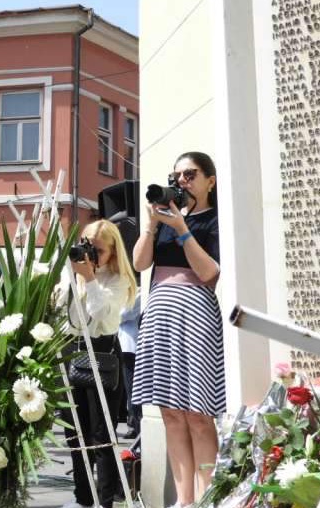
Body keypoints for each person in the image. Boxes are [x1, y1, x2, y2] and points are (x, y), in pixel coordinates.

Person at [132, 151, 223, 508]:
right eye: (177, 176)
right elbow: (140, 262)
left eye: (190, 175)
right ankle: (183, 501)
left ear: (210, 181)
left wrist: (182, 231)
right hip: (160, 315)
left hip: (196, 313)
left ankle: (207, 499)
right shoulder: (168, 221)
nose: (182, 182)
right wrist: (153, 224)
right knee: (170, 413)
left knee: (199, 414)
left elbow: (209, 273)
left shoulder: (214, 219)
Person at [61, 220, 138, 508]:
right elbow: (74, 320)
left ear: (114, 252)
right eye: (86, 245)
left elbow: (100, 314)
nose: (90, 254)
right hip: (75, 351)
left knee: (101, 434)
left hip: (104, 353)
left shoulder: (118, 280)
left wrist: (89, 278)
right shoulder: (77, 273)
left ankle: (103, 500)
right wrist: (75, 277)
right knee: (74, 432)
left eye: (98, 250)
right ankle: (83, 498)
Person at [119, 290, 142, 439]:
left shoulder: (139, 294)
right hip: (124, 345)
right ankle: (132, 422)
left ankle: (135, 424)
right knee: (129, 389)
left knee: (133, 389)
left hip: (132, 346)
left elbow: (122, 314)